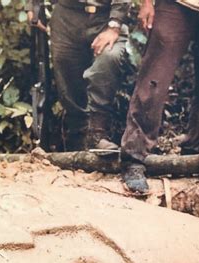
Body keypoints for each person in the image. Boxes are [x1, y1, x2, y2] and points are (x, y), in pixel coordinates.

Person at [121, 0, 199, 194]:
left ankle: (196, 153)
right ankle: (134, 158)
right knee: (154, 78)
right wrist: (147, 3)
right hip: (175, 5)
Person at [27, 0, 130, 151]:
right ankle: (78, 139)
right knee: (67, 77)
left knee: (108, 59)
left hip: (105, 18)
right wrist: (33, 6)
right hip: (67, 17)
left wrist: (114, 25)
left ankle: (97, 134)